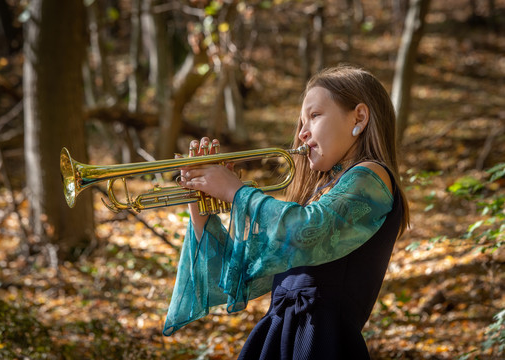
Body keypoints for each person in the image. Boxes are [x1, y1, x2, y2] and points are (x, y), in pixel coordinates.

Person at [163, 64, 410, 359]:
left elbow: (309, 232)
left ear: (359, 117)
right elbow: (241, 272)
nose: (302, 133)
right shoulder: (320, 194)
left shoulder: (371, 175)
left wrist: (236, 192)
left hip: (323, 343)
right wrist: (200, 205)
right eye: (301, 122)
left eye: (315, 116)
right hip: (280, 336)